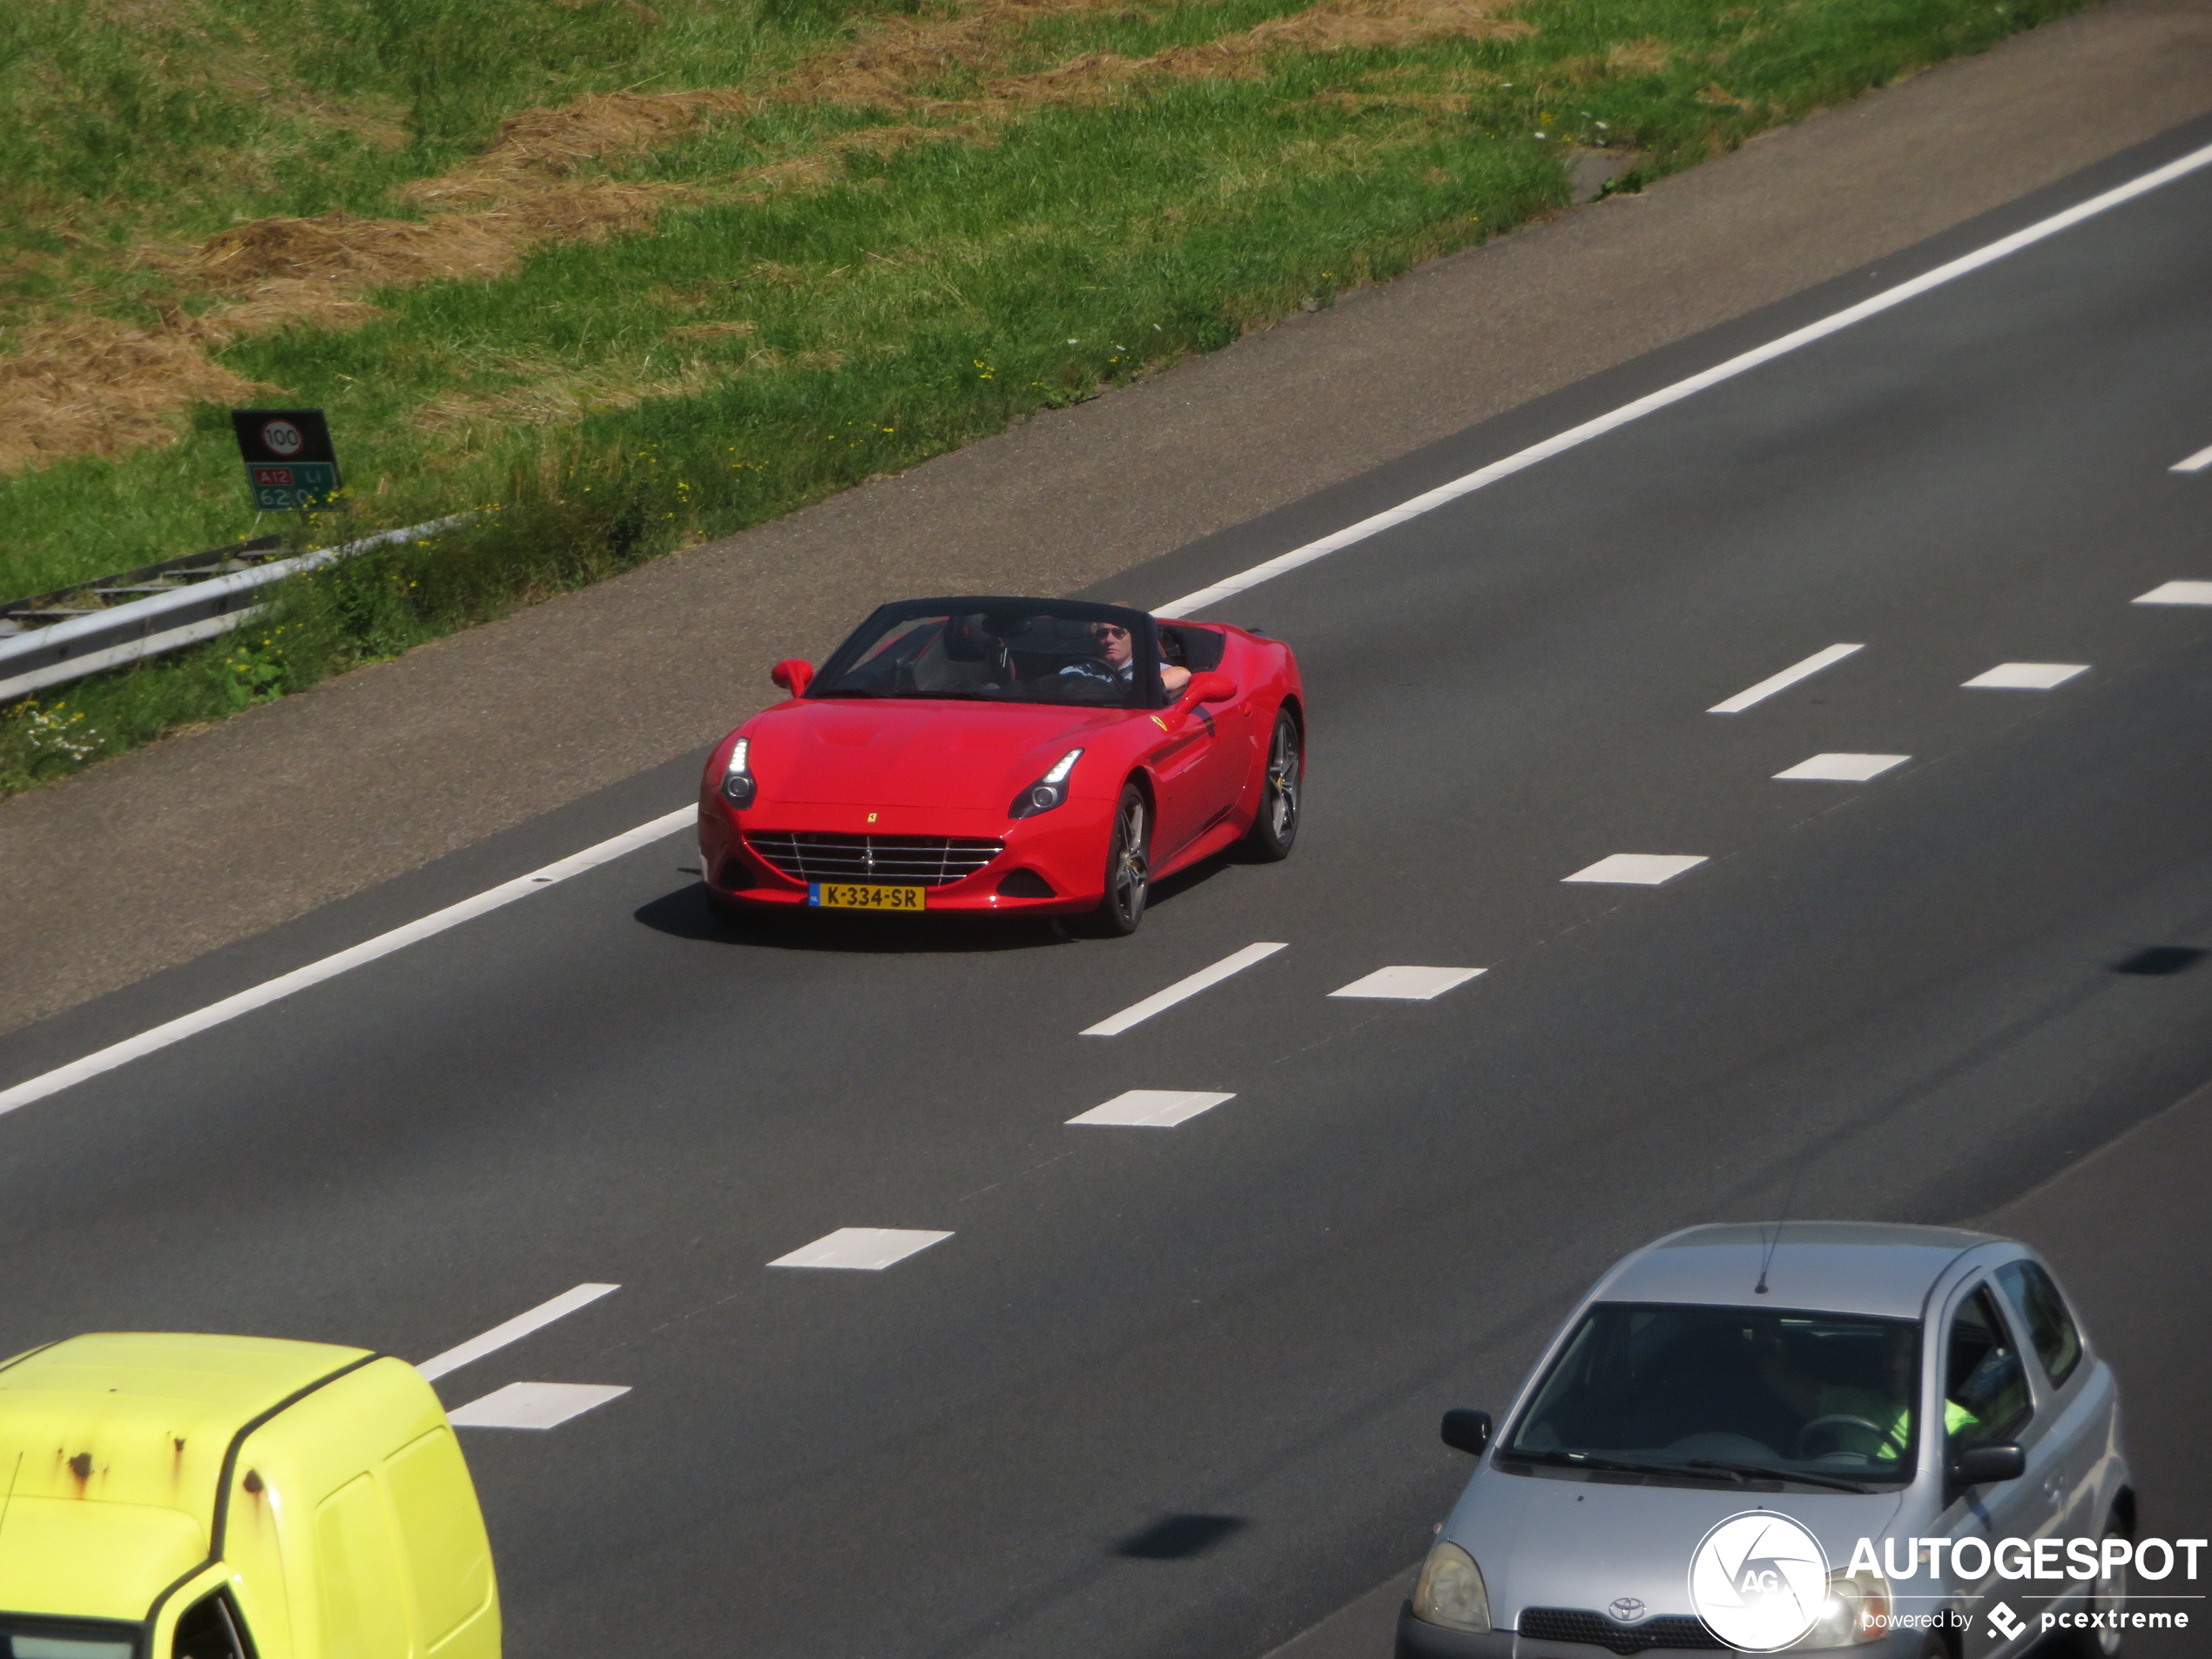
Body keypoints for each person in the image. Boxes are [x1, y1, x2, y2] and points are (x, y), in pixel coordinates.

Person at [1059, 614, 1190, 694]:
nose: (1109, 640)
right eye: (1102, 634)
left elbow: (1182, 674)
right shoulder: (1079, 671)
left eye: (1118, 633)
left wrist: (1140, 688)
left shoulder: (1148, 670)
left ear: (1134, 638)